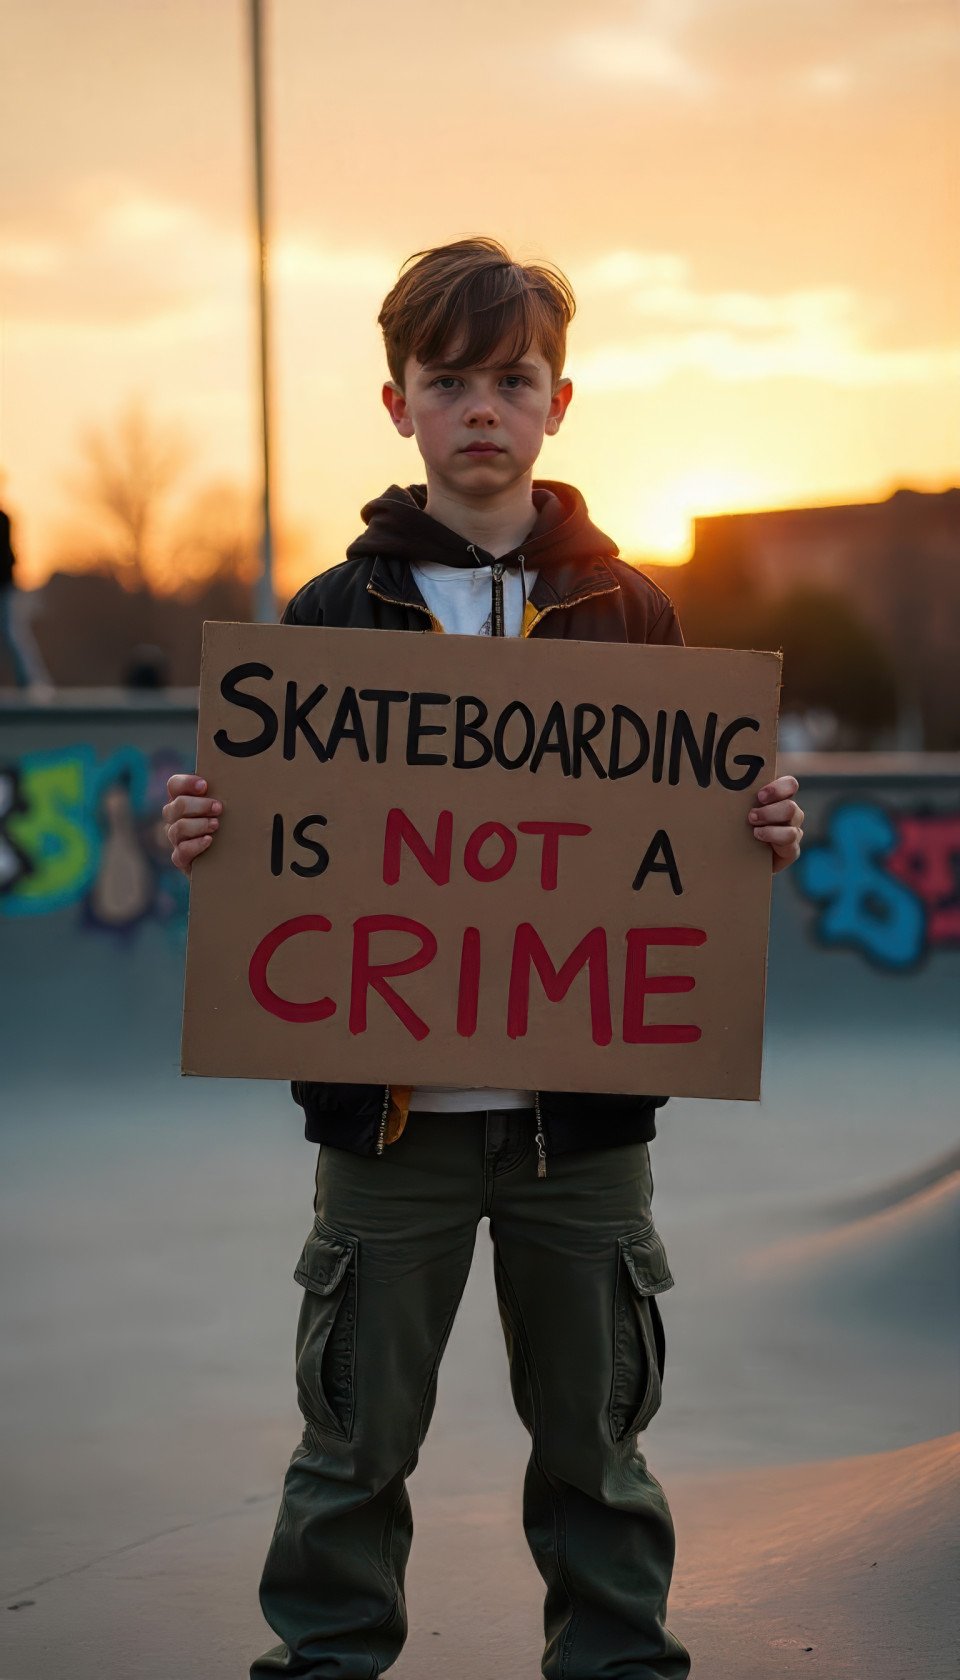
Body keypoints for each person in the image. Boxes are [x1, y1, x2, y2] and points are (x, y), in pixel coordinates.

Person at [163, 237, 804, 1679]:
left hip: (582, 1130)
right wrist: (217, 829)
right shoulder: (332, 619)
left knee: (597, 1445)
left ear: (559, 403)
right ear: (398, 404)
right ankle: (324, 1664)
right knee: (353, 1445)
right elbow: (282, 839)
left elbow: (691, 833)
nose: (481, 410)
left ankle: (618, 1663)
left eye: (511, 380)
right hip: (387, 1130)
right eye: (448, 380)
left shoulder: (632, 611)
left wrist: (761, 823)